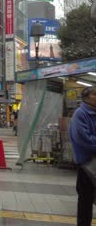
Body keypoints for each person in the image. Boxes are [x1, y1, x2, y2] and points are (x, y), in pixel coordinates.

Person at [69, 86, 96, 226]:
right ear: (87, 97)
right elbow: (83, 138)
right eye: (95, 94)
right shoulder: (80, 114)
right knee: (86, 199)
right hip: (86, 164)